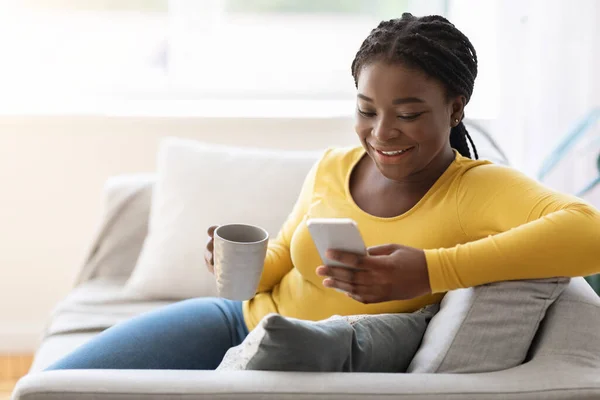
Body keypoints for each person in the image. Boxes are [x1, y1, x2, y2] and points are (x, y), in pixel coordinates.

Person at [46, 13, 600, 371]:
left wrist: (431, 270)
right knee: (61, 383)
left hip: (297, 356)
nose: (381, 133)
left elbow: (589, 232)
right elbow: (285, 258)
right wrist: (235, 261)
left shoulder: (480, 189)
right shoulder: (336, 165)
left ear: (455, 109)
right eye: (366, 110)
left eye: (408, 114)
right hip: (234, 320)